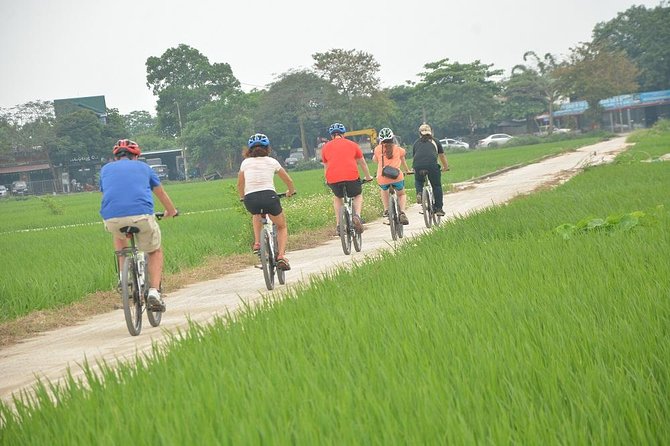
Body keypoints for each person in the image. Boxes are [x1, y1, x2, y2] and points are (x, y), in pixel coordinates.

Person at [99, 139, 178, 311]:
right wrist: (171, 211)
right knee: (154, 250)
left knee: (119, 236)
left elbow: (109, 193)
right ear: (136, 156)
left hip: (112, 219)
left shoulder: (105, 169)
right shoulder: (144, 168)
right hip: (141, 217)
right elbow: (160, 193)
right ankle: (154, 292)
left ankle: (123, 277)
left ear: (116, 158)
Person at [237, 133, 296, 270]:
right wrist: (290, 191)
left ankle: (257, 243)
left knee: (256, 213)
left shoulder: (245, 163)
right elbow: (288, 180)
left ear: (249, 150)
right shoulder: (272, 162)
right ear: (267, 148)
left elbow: (240, 184)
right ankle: (281, 256)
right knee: (281, 226)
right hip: (269, 197)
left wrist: (242, 197)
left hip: (251, 199)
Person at [321, 122, 373, 233]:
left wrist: (327, 179)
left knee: (337, 197)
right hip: (351, 177)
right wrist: (368, 177)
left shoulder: (325, 147)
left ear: (332, 136)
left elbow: (326, 166)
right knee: (358, 195)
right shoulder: (353, 145)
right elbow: (362, 163)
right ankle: (357, 216)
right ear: (343, 134)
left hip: (333, 179)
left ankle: (339, 225)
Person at [372, 127, 411, 225]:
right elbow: (403, 158)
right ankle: (402, 212)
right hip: (396, 177)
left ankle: (386, 209)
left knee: (383, 189)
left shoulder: (377, 149)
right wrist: (407, 170)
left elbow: (375, 160)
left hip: (382, 178)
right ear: (393, 138)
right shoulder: (398, 149)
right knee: (401, 194)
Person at [411, 123, 449, 216]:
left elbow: (415, 157)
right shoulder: (435, 141)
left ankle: (419, 192)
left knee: (418, 180)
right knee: (436, 186)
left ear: (420, 133)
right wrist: (445, 167)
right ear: (431, 132)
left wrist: (413, 168)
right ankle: (439, 208)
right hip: (432, 165)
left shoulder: (416, 143)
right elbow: (442, 156)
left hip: (417, 165)